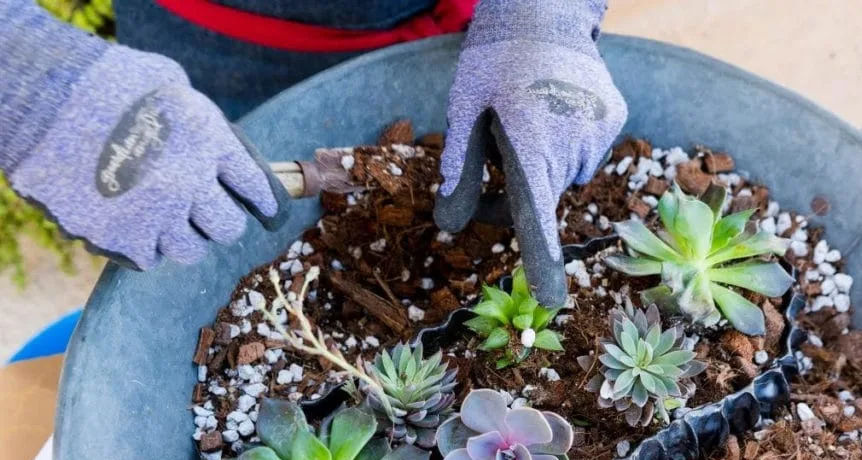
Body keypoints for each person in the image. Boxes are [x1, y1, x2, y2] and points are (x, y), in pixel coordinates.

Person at [0, 0, 627, 307]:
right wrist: (31, 84)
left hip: (492, 27)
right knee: (205, 196)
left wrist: (546, 14)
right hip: (224, 37)